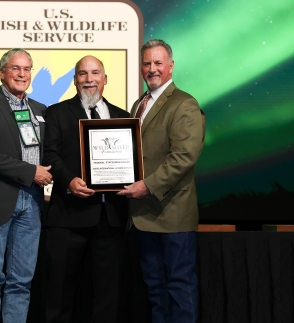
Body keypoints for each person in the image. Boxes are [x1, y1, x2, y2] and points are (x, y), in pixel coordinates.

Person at [118, 39, 205, 323]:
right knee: (155, 290)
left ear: (171, 66)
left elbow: (184, 157)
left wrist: (147, 186)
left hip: (172, 214)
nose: (152, 69)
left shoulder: (184, 104)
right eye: (147, 63)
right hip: (144, 215)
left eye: (158, 63)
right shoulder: (138, 104)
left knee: (179, 287)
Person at [43, 55, 129, 323]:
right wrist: (68, 180)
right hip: (68, 217)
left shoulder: (123, 117)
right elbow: (50, 154)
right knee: (59, 296)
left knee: (106, 298)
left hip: (110, 219)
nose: (89, 79)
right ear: (75, 80)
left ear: (105, 79)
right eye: (82, 74)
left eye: (94, 73)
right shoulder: (57, 112)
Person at [0, 48, 52, 323]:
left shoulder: (39, 110)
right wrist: (30, 172)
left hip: (33, 203)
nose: (22, 74)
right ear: (2, 72)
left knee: (22, 280)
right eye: (15, 68)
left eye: (27, 69)